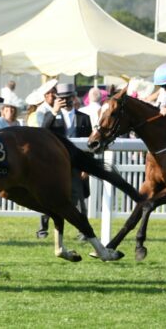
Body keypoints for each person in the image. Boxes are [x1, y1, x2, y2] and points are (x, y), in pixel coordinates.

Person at [35, 83, 93, 240]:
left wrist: (86, 168)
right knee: (48, 197)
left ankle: (83, 232)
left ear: (74, 98)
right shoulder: (51, 116)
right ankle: (42, 229)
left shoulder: (84, 118)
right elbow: (42, 131)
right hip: (55, 165)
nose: (65, 101)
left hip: (75, 164)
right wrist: (53, 112)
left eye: (68, 98)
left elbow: (89, 145)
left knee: (79, 200)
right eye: (62, 98)